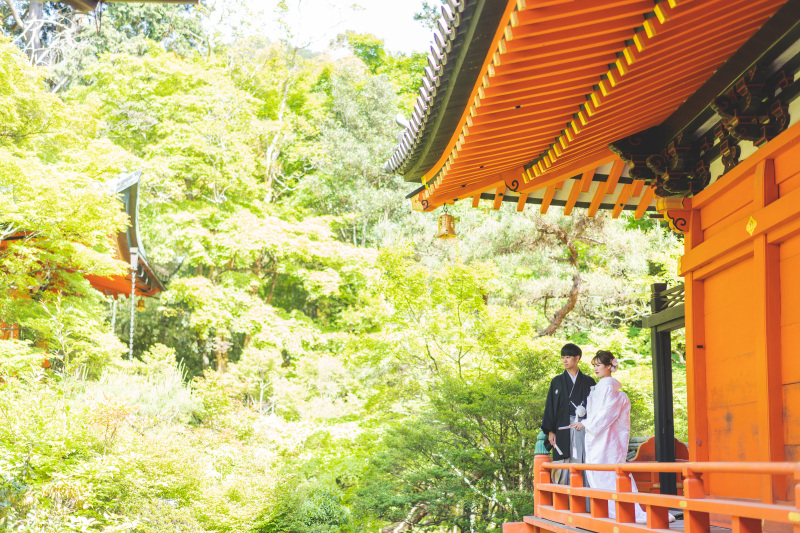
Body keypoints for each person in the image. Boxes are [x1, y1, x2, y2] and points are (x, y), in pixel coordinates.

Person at [570, 350, 650, 523]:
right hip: (598, 438)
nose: (596, 369)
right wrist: (585, 420)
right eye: (594, 365)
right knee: (600, 474)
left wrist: (586, 423)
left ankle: (623, 510)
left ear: (609, 366)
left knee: (611, 473)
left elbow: (607, 413)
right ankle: (610, 510)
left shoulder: (611, 389)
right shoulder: (601, 388)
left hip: (609, 440)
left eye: (599, 365)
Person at [541, 343, 595, 484]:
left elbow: (595, 409)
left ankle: (586, 503)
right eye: (563, 357)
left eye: (568, 357)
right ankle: (563, 503)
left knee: (583, 461)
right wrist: (551, 431)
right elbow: (550, 407)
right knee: (562, 464)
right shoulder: (557, 382)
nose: (564, 361)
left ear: (577, 358)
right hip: (562, 428)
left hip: (583, 426)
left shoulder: (589, 381)